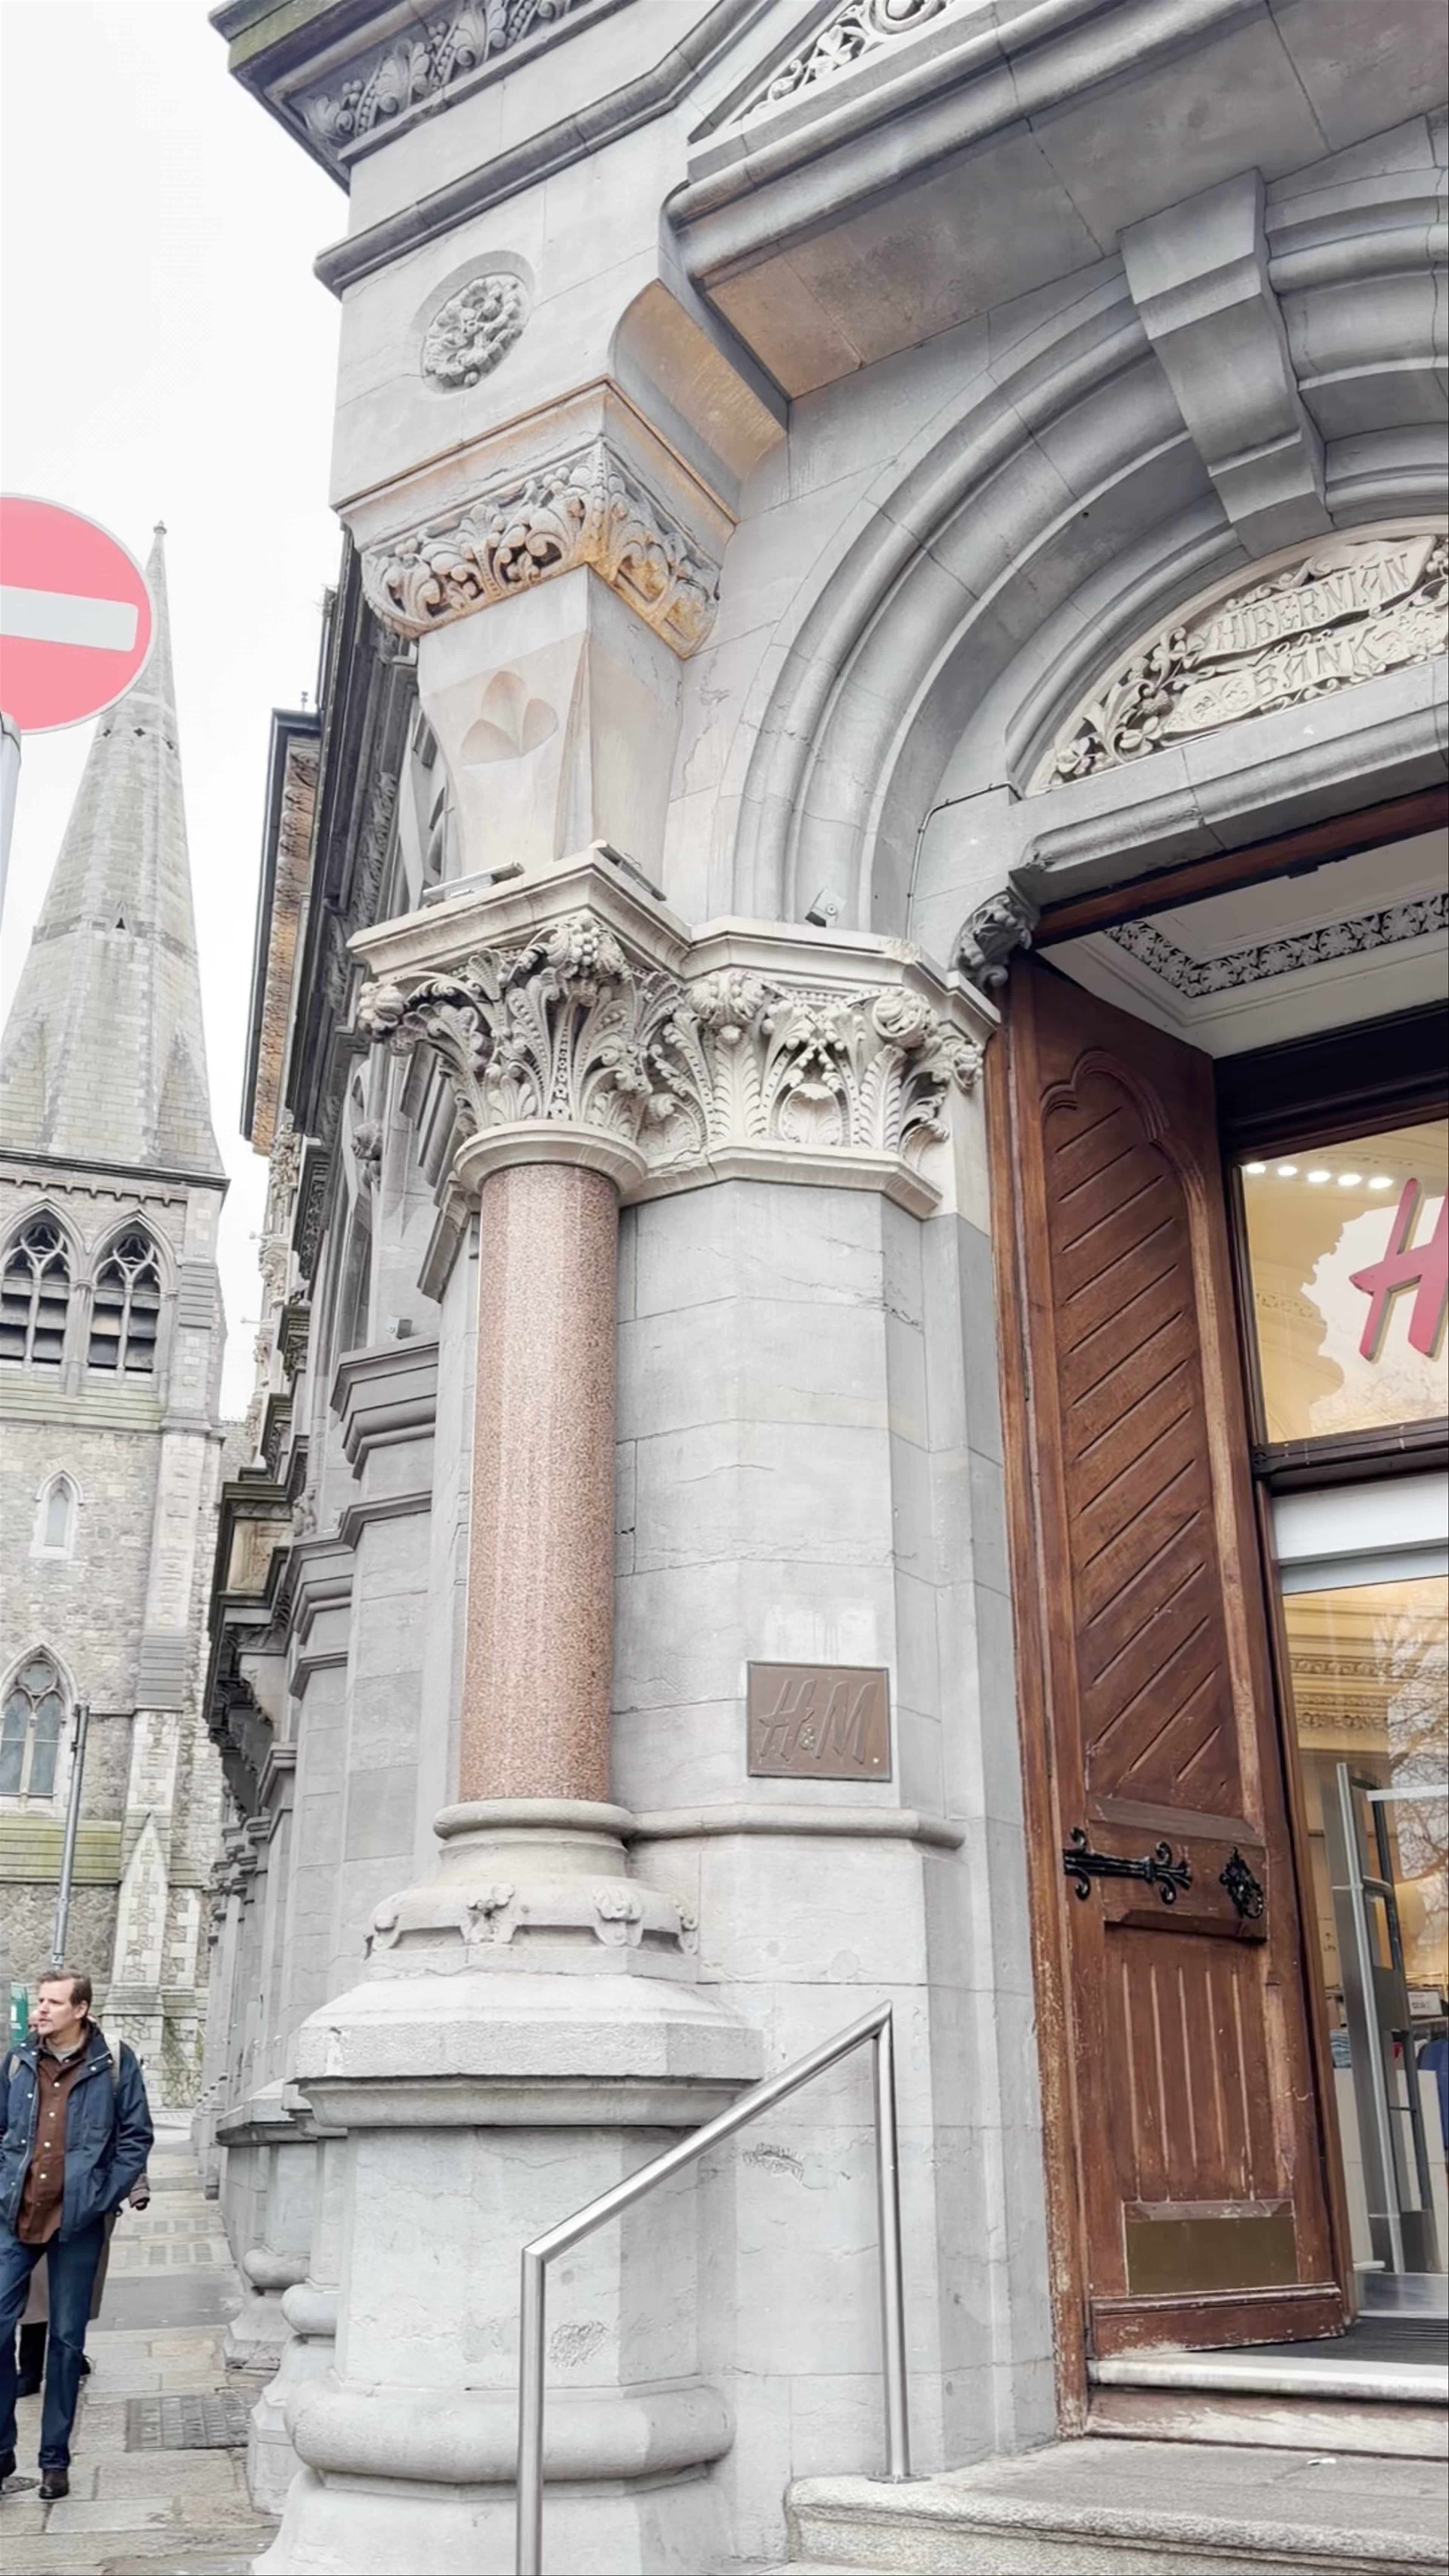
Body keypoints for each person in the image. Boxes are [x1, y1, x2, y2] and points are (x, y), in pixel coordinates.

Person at [0, 1970, 153, 2501]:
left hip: (78, 2221)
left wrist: (101, 2196)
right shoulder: (18, 2059)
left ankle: (53, 2461)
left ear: (81, 2009)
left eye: (53, 2002)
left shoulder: (114, 2062)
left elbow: (136, 2136)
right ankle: (1, 2452)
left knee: (67, 2343)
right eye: (40, 2000)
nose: (41, 2010)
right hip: (15, 2216)